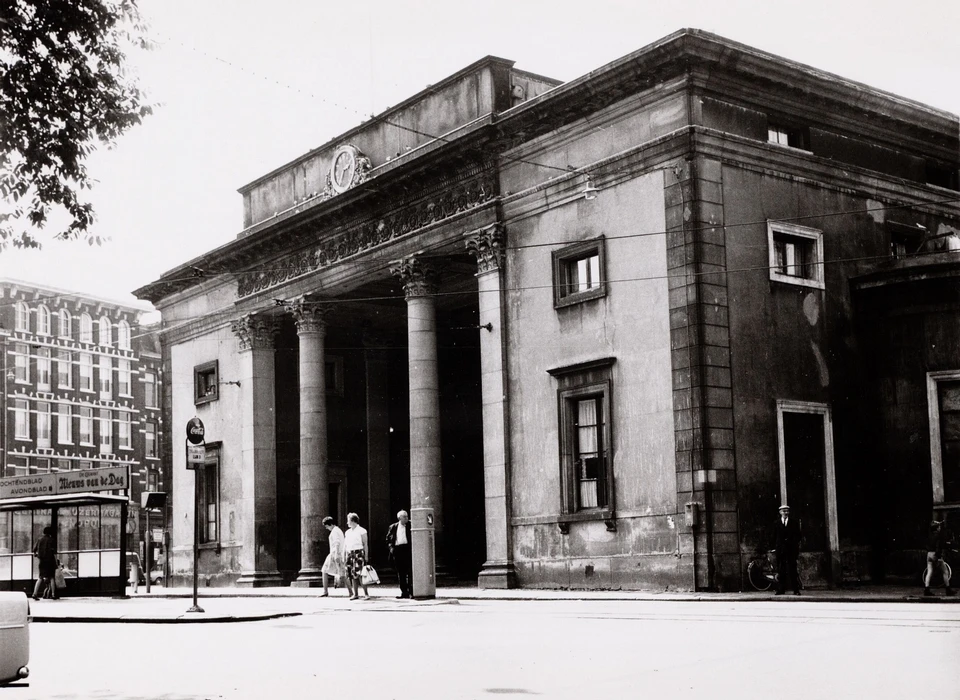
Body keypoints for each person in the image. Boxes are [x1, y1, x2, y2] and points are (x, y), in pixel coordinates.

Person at [923, 520, 955, 597]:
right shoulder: (938, 535)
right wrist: (939, 557)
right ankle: (948, 590)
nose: (940, 528)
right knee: (945, 571)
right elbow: (939, 546)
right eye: (939, 526)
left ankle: (926, 590)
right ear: (937, 528)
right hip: (935, 554)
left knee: (929, 572)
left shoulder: (929, 535)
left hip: (929, 554)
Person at [775, 504, 801, 596]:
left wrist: (792, 544)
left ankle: (796, 590)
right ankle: (780, 589)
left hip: (791, 550)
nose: (785, 513)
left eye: (787, 511)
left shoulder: (794, 523)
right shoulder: (777, 523)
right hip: (781, 550)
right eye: (783, 511)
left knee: (792, 570)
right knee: (781, 570)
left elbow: (798, 536)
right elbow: (774, 537)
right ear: (780, 512)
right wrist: (777, 548)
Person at [386, 509, 413, 599]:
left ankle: (411, 592)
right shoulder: (393, 527)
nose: (407, 518)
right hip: (398, 550)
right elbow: (388, 539)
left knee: (410, 571)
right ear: (399, 518)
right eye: (404, 516)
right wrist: (391, 549)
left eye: (407, 516)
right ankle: (404, 592)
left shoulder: (411, 525)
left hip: (408, 549)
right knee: (401, 572)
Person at [343, 512, 370, 600]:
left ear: (353, 521)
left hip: (359, 553)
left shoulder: (362, 530)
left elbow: (365, 544)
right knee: (352, 575)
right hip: (350, 554)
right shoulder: (347, 532)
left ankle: (366, 594)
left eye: (348, 521)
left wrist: (366, 556)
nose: (347, 523)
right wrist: (344, 556)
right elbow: (345, 545)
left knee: (361, 574)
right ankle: (356, 594)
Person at [320, 516, 345, 597]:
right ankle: (351, 592)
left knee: (324, 570)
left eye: (326, 526)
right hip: (338, 553)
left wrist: (336, 554)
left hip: (334, 553)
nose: (326, 528)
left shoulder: (334, 531)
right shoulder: (338, 530)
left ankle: (325, 591)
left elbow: (337, 543)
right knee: (342, 573)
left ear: (330, 524)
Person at [32, 526, 58, 601]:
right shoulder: (51, 540)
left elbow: (34, 550)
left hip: (42, 561)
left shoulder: (39, 540)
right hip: (50, 561)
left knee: (40, 577)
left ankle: (34, 594)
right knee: (52, 577)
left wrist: (36, 555)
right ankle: (53, 594)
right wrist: (56, 562)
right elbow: (54, 553)